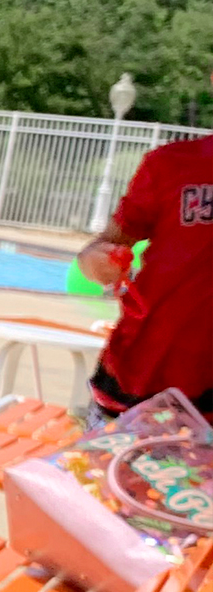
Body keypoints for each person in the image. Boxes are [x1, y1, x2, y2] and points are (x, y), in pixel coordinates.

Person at [77, 81, 213, 423]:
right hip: (139, 381)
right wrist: (97, 261)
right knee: (103, 476)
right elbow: (102, 248)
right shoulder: (171, 166)